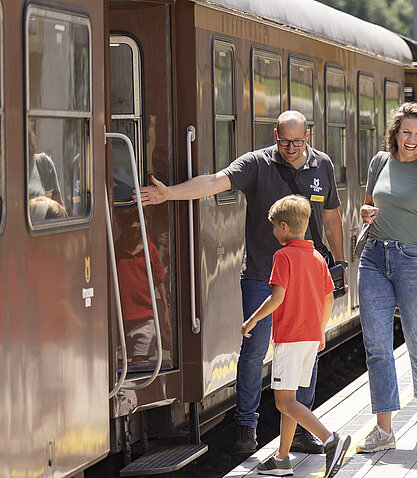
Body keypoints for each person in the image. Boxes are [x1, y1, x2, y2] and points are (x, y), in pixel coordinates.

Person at [141, 110, 345, 454]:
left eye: (297, 141)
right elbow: (214, 182)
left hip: (307, 276)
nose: (291, 148)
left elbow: (331, 217)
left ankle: (301, 430)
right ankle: (246, 426)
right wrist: (169, 194)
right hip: (262, 273)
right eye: (284, 141)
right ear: (275, 135)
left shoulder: (321, 165)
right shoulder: (257, 164)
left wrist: (339, 265)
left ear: (307, 136)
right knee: (254, 349)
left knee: (306, 350)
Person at [355, 103, 417, 453]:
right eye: (406, 132)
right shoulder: (379, 162)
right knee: (377, 346)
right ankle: (384, 430)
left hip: (414, 261)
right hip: (374, 259)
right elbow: (367, 205)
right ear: (395, 132)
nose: (411, 140)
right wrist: (364, 212)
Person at [241, 196, 350, 478]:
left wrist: (252, 319)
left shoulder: (283, 256)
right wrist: (321, 330)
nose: (274, 232)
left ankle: (330, 440)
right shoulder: (316, 258)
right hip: (311, 337)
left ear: (285, 227)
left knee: (284, 402)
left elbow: (277, 297)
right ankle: (281, 458)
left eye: (275, 227)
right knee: (289, 398)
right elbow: (329, 298)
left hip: (289, 337)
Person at [114, 208, 172, 364]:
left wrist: (166, 311)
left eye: (136, 220)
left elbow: (159, 280)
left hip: (146, 319)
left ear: (145, 220)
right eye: (126, 222)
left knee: (141, 364)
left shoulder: (150, 249)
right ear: (119, 224)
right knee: (119, 364)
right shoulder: (115, 250)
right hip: (119, 320)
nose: (132, 226)